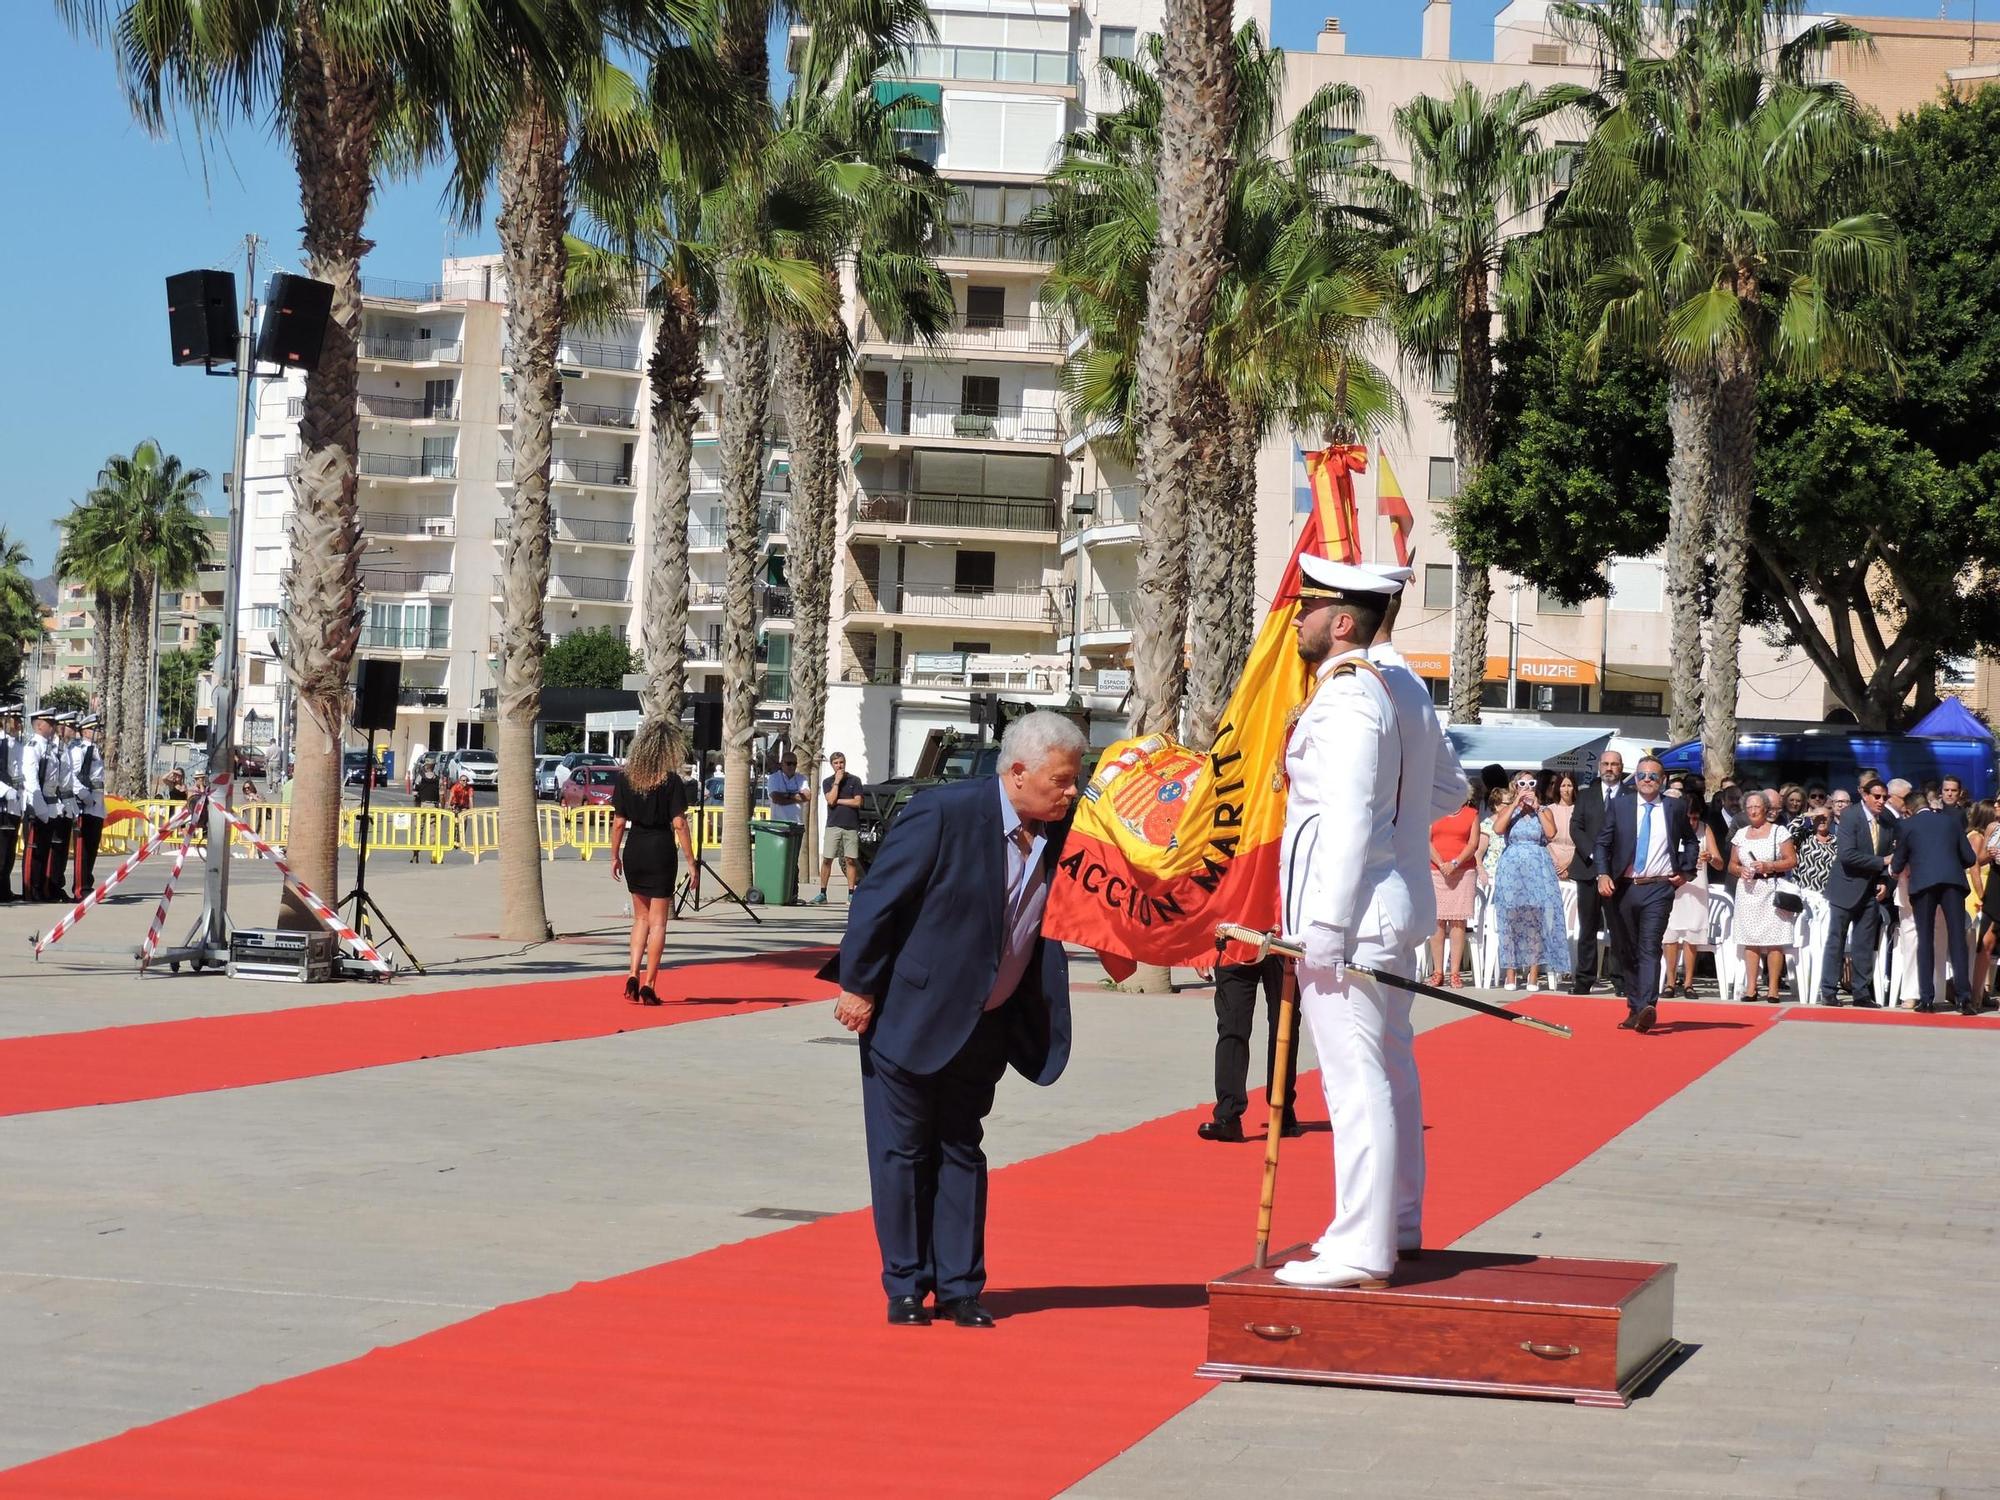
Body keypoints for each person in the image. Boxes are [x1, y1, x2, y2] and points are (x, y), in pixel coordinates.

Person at [827, 710, 1082, 1327]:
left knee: (962, 1148)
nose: (1071, 792)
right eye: (1062, 780)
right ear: (1018, 772)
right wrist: (858, 985)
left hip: (985, 1020)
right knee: (903, 1153)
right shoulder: (943, 813)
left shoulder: (1063, 828)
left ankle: (962, 1286)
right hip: (910, 1014)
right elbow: (878, 902)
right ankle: (907, 1286)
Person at [1274, 557, 1465, 1289]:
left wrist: (1322, 926)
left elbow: (1351, 817)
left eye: (1308, 607)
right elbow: (1445, 788)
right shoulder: (1401, 686)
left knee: (1357, 1083)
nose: (1296, 618)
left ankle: (1360, 1245)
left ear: (1343, 622)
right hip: (1385, 908)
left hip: (1351, 919)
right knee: (1388, 1069)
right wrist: (1403, 836)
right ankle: (1397, 1219)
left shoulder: (1352, 696)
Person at [1595, 755, 1702, 1033]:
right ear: (1635, 778)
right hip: (1624, 887)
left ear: (1662, 780)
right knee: (1626, 949)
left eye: (1653, 776)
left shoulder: (1675, 807)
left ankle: (1647, 1006)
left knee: (1649, 946)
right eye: (1642, 774)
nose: (1646, 780)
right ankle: (1634, 1007)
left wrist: (1686, 872)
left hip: (1659, 887)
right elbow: (1603, 842)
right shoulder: (1620, 805)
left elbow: (1691, 842)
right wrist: (1603, 874)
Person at [610, 718, 697, 1007]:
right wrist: (691, 861)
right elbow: (679, 823)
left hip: (635, 848)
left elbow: (619, 822)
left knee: (640, 918)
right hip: (660, 849)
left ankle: (633, 973)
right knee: (658, 923)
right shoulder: (670, 781)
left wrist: (614, 855)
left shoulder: (625, 778)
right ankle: (649, 983)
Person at [1195, 954, 1299, 1142]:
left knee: (1284, 1022)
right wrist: (1200, 951)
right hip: (1234, 937)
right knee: (1231, 1023)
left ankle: (1281, 1107)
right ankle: (1228, 1115)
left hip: (1280, 938)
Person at [1891, 794, 1976, 1014]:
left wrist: (1894, 870)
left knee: (1925, 938)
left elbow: (1898, 862)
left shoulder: (1908, 825)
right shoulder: (1951, 821)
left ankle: (1926, 999)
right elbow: (1969, 858)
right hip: (1953, 883)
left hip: (1924, 884)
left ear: (1909, 810)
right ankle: (1964, 999)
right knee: (1957, 938)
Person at [1819, 778, 1897, 1008]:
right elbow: (1847, 855)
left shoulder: (1888, 819)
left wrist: (1884, 879)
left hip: (1870, 890)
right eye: (1877, 796)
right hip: (1846, 886)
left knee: (1864, 943)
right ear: (1865, 795)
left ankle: (1861, 992)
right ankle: (1829, 990)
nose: (1881, 801)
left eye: (1885, 797)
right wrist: (1881, 862)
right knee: (1837, 940)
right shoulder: (1851, 817)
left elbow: (1890, 850)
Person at [1489, 770, 1568, 991]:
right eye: (1522, 783)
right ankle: (1511, 973)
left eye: (1530, 783)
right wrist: (1515, 804)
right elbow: (1497, 829)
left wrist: (1537, 808)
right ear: (1515, 786)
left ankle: (1533, 974)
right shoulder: (1509, 810)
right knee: (1511, 917)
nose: (1526, 787)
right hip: (1512, 867)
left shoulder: (1543, 810)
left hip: (1537, 866)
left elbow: (1551, 833)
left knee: (1535, 919)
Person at [1729, 792, 1798, 1002]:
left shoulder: (1779, 831)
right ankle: (1751, 988)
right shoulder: (1740, 834)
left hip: (1770, 888)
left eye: (1756, 806)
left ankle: (1773, 988)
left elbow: (1791, 860)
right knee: (1750, 940)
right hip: (1748, 890)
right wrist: (1742, 871)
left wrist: (1769, 865)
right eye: (1748, 807)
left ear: (1765, 808)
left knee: (1774, 941)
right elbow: (1732, 864)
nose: (1752, 810)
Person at [1567, 750, 1624, 995]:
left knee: (1619, 929)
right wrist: (1593, 854)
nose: (1609, 768)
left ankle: (1621, 981)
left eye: (1614, 764)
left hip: (1619, 872)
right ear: (1599, 766)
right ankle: (1584, 980)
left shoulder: (1630, 796)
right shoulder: (1587, 795)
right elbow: (1576, 827)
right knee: (1587, 928)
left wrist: (1614, 862)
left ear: (1621, 767)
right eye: (1606, 764)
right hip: (1588, 870)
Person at [1428, 780, 1483, 988]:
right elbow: (1427, 840)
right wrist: (1441, 863)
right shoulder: (1434, 811)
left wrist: (1455, 863)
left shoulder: (1472, 814)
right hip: (1436, 870)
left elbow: (1473, 843)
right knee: (1437, 921)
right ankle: (1437, 971)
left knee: (1458, 922)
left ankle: (1455, 973)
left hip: (1463, 872)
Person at [1662, 791, 1716, 1000]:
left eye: (1696, 817)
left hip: (1697, 888)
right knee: (1671, 936)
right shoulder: (1672, 829)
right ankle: (1669, 982)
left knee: (1692, 936)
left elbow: (1719, 861)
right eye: (1689, 818)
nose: (1693, 822)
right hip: (1675, 885)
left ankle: (1689, 983)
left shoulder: (1705, 830)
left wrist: (1710, 857)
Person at [22, 710, 69, 903]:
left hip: (50, 805)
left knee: (44, 850)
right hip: (37, 805)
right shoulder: (33, 746)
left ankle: (41, 888)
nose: (53, 726)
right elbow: (31, 780)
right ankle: (30, 889)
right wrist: (40, 809)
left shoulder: (50, 748)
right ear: (39, 725)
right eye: (49, 723)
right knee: (34, 850)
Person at [810, 751, 863, 904]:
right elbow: (830, 800)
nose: (839, 766)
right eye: (836, 763)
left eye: (841, 762)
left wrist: (839, 801)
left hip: (851, 826)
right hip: (833, 825)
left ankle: (851, 893)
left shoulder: (855, 780)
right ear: (832, 765)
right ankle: (822, 893)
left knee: (850, 860)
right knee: (827, 859)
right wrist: (837, 782)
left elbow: (857, 802)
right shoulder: (828, 782)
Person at [70, 716, 106, 892]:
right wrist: (84, 796)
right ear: (85, 731)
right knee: (83, 849)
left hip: (97, 804)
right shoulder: (80, 750)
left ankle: (87, 882)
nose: (98, 732)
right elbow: (73, 776)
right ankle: (80, 886)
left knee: (92, 847)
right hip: (86, 804)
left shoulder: (96, 750)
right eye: (95, 729)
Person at [0, 705, 22, 903]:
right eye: (14, 720)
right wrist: (5, 791)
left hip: (14, 803)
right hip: (2, 802)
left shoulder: (17, 745)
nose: (18, 724)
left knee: (9, 849)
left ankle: (4, 888)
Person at [1794, 809, 1838, 895]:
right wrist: (1806, 815)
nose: (1821, 820)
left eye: (1825, 818)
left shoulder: (1837, 841)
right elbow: (1790, 828)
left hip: (1829, 894)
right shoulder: (1804, 836)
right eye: (1818, 818)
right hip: (1805, 893)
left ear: (1831, 820)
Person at [766, 754, 808, 826]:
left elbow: (807, 796)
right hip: (779, 825)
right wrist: (798, 798)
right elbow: (776, 798)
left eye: (794, 764)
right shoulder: (774, 778)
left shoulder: (801, 778)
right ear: (782, 764)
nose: (792, 766)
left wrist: (785, 796)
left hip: (797, 825)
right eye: (789, 763)